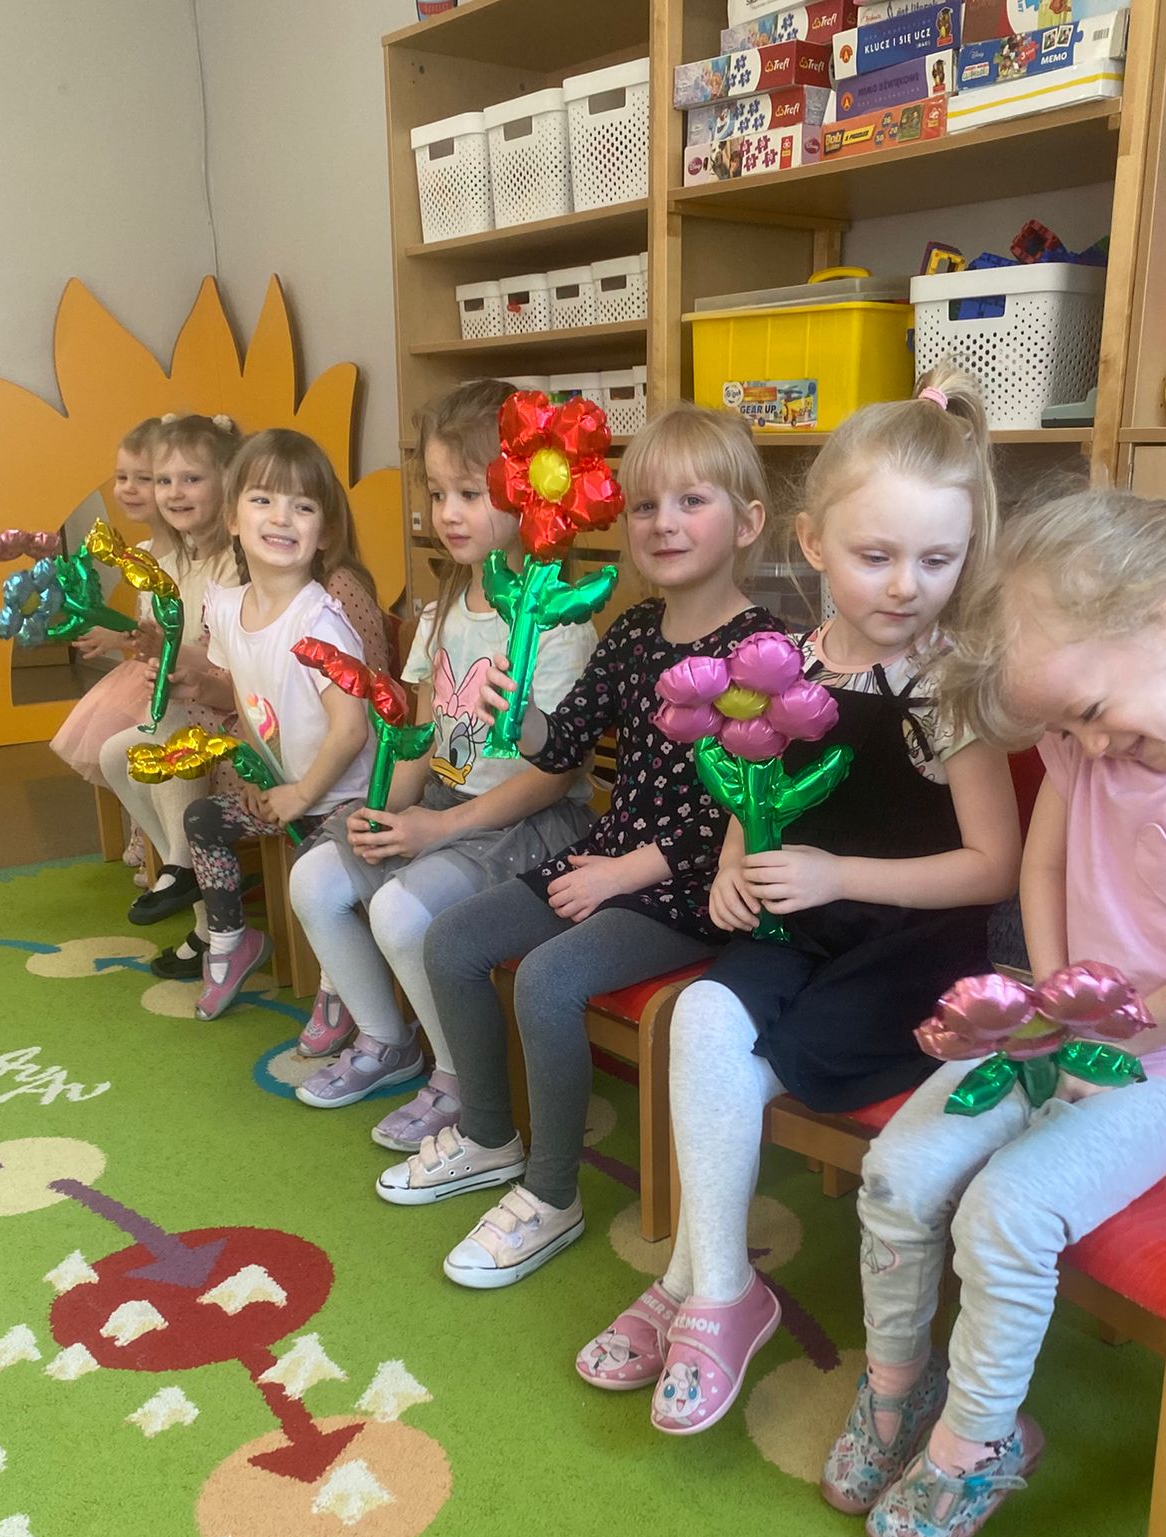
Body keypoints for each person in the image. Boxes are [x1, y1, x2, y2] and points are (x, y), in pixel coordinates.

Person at [821, 489, 1166, 1537]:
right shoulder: (1091, 731)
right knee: (898, 1171)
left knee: (1008, 1212)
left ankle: (976, 1443)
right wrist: (1057, 1003)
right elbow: (1046, 865)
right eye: (1064, 729)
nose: (1087, 745)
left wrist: (1114, 1035)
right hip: (1058, 1021)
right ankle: (898, 1388)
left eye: (1090, 714)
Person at [579, 369, 1021, 1434]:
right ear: (815, 544)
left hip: (908, 954)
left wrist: (838, 874)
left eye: (937, 560)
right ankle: (723, 1287)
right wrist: (736, 860)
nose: (906, 586)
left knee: (735, 1062)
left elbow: (993, 866)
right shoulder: (781, 668)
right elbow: (751, 786)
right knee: (703, 1017)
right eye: (876, 557)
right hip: (797, 926)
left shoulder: (951, 687)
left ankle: (692, 1282)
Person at [376, 403, 780, 1290]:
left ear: (748, 522)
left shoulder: (764, 652)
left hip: (692, 886)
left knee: (549, 979)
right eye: (645, 506)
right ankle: (489, 1135)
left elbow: (749, 807)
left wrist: (626, 872)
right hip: (609, 854)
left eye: (692, 502)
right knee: (452, 941)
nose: (664, 523)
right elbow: (562, 748)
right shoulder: (634, 632)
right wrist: (520, 713)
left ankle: (551, 1195)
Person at [287, 379, 596, 1137]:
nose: (446, 513)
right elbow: (424, 732)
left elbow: (552, 775)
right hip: (446, 811)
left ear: (528, 494)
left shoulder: (560, 624)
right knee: (315, 878)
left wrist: (437, 829)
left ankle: (460, 1079)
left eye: (469, 493)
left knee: (401, 911)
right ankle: (387, 1040)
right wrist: (388, 810)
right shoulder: (445, 606)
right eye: (436, 492)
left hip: (528, 826)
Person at [178, 428, 375, 1021]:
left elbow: (351, 730)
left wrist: (301, 794)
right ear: (232, 518)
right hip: (285, 790)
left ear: (325, 532)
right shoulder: (226, 607)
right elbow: (247, 693)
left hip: (342, 801)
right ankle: (230, 945)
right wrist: (258, 775)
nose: (281, 517)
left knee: (313, 879)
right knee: (203, 818)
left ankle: (341, 985)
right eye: (263, 499)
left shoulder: (321, 623)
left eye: (303, 506)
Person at [95, 412, 246, 961]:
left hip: (234, 707)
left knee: (168, 740)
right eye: (164, 481)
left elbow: (229, 661)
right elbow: (169, 648)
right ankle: (188, 880)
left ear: (227, 482)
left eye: (191, 479)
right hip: (190, 701)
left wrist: (170, 649)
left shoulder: (235, 563)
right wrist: (149, 646)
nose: (174, 493)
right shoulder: (172, 562)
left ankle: (189, 882)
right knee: (115, 754)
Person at [49, 416, 173, 876]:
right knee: (112, 741)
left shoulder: (183, 557)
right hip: (145, 668)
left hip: (171, 673)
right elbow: (147, 627)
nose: (129, 489)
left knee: (133, 738)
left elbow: (178, 634)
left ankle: (156, 838)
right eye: (122, 477)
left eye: (145, 479)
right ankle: (146, 830)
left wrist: (127, 639)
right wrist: (118, 636)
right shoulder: (142, 550)